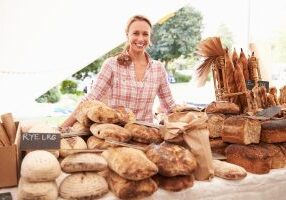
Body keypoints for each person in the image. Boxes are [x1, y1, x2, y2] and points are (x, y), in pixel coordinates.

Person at [60, 15, 176, 128]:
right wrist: (61, 128)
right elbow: (89, 100)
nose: (141, 38)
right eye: (135, 33)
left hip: (146, 137)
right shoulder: (112, 64)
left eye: (145, 34)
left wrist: (191, 117)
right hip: (116, 135)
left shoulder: (158, 68)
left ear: (150, 37)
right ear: (127, 35)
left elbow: (169, 105)